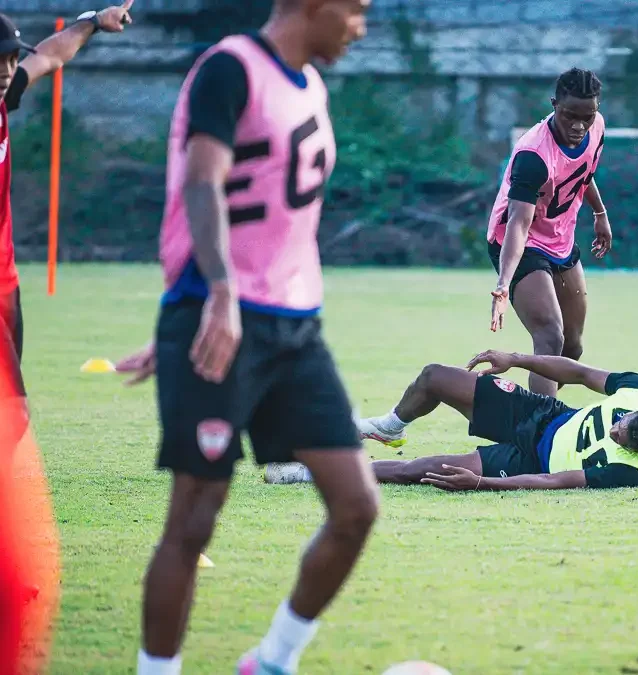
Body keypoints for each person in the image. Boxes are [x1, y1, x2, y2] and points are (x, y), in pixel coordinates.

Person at [114, 1, 378, 674]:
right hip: (221, 318)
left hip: (295, 329)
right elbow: (201, 183)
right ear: (314, 5)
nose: (361, 27)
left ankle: (271, 660)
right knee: (195, 518)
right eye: (356, 10)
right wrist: (210, 300)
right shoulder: (229, 70)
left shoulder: (312, 84)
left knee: (355, 507)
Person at [266, 350, 638, 491]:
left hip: (533, 464)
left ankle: (308, 472)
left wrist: (482, 484)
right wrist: (516, 359)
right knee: (436, 377)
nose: (613, 430)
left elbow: (555, 482)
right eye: (619, 422)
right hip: (544, 417)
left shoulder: (636, 472)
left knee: (424, 470)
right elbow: (579, 373)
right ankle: (391, 426)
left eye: (619, 438)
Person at [0, 3, 134, 423]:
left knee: (13, 417)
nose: (7, 69)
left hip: (5, 288)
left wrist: (92, 22)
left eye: (9, 57)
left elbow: (49, 55)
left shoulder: (5, 98)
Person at [487, 68, 612, 398]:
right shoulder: (533, 155)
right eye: (570, 115)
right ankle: (540, 433)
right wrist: (503, 285)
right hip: (519, 244)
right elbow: (518, 223)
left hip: (561, 240)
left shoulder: (596, 127)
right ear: (554, 104)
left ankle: (527, 411)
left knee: (572, 348)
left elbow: (581, 173)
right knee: (549, 337)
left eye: (587, 116)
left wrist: (600, 213)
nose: (578, 126)